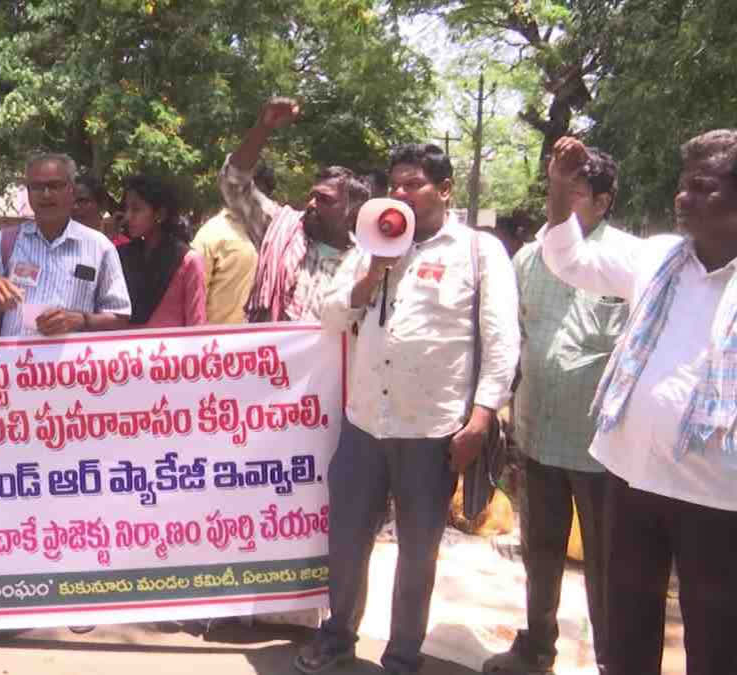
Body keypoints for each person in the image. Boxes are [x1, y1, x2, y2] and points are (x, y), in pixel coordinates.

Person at [311, 143, 520, 674]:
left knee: (417, 553)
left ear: (444, 190)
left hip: (433, 429)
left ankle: (402, 656)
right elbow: (331, 315)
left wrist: (481, 416)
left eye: (413, 184)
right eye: (394, 184)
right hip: (365, 424)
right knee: (348, 538)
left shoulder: (478, 251)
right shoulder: (372, 243)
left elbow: (501, 341)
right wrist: (372, 273)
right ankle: (336, 638)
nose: (399, 194)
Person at [541, 132, 737, 675]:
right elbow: (568, 257)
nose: (683, 198)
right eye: (682, 185)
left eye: (702, 188)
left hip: (719, 497)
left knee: (717, 641)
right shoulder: (656, 258)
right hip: (632, 479)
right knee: (627, 631)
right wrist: (560, 189)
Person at [483, 147, 636, 675]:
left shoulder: (628, 261)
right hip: (538, 434)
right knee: (540, 552)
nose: (563, 205)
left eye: (574, 194)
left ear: (603, 201)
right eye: (559, 191)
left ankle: (613, 662)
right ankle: (537, 648)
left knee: (606, 566)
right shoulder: (530, 258)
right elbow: (512, 338)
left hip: (602, 448)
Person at [220, 97, 370, 322]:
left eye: (324, 200)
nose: (311, 204)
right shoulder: (282, 229)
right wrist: (263, 126)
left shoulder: (364, 263)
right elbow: (234, 182)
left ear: (353, 213)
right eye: (312, 196)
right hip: (268, 354)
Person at [0, 152, 131, 337]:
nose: (46, 194)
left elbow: (120, 318)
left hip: (73, 363)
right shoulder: (3, 241)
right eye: (37, 187)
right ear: (28, 192)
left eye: (55, 186)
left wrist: (81, 320)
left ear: (72, 190)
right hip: (15, 362)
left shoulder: (99, 247)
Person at [117, 175, 205, 328]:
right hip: (128, 350)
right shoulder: (122, 255)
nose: (128, 216)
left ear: (160, 214)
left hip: (170, 351)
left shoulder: (187, 260)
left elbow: (196, 324)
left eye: (136, 209)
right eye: (126, 209)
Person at [190, 164, 274, 324]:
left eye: (265, 195)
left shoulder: (274, 233)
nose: (259, 202)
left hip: (262, 341)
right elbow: (194, 298)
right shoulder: (212, 233)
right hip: (219, 342)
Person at [73, 175, 123, 241]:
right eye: (71, 201)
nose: (74, 207)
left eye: (82, 201)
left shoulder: (122, 245)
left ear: (102, 204)